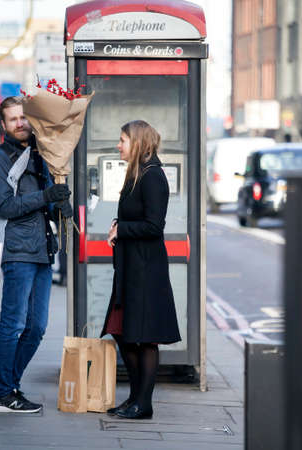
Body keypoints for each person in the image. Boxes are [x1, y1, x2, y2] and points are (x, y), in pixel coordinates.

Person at [0, 96, 73, 413]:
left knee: (37, 327)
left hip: (43, 251)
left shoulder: (39, 154)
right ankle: (3, 393)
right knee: (13, 324)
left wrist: (58, 200)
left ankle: (11, 386)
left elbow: (43, 202)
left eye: (24, 117)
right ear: (4, 125)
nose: (20, 123)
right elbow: (6, 206)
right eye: (13, 119)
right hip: (17, 250)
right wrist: (45, 195)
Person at [101, 120, 181, 420]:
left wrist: (122, 229)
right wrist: (119, 226)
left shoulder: (153, 177)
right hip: (131, 269)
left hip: (146, 270)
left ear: (137, 142)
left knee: (144, 337)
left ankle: (143, 404)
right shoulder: (139, 173)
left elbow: (153, 225)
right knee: (123, 331)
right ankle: (134, 399)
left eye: (122, 140)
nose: (118, 145)